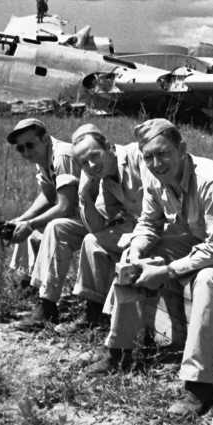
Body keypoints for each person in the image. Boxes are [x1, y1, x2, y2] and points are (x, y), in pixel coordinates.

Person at [91, 119, 213, 417]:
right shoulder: (154, 177)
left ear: (182, 149)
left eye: (163, 153)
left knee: (207, 280)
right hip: (202, 239)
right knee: (132, 254)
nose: (156, 163)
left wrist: (167, 271)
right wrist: (137, 251)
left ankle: (199, 385)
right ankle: (120, 351)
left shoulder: (211, 179)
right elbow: (150, 223)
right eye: (149, 156)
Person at [53, 124, 146, 333]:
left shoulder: (136, 157)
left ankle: (121, 333)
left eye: (95, 155)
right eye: (84, 162)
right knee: (92, 241)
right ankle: (93, 314)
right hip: (141, 227)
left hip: (164, 229)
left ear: (109, 147)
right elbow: (97, 226)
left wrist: (139, 234)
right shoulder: (107, 181)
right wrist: (83, 193)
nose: (92, 165)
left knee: (128, 249)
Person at [5, 119, 89, 331]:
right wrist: (23, 220)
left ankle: (47, 307)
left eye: (30, 144)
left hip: (98, 216)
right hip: (81, 213)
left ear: (44, 139)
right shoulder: (43, 157)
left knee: (54, 229)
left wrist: (31, 224)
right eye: (20, 148)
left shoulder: (62, 155)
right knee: (26, 227)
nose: (26, 151)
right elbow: (48, 195)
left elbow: (65, 207)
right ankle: (29, 284)